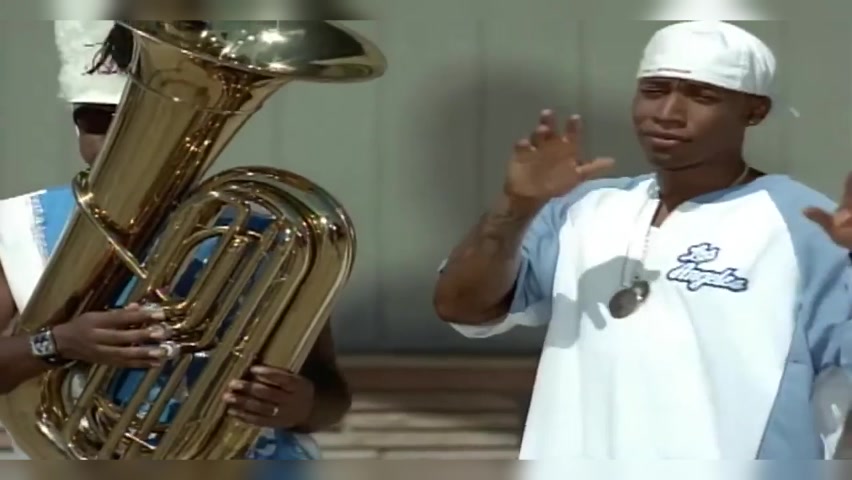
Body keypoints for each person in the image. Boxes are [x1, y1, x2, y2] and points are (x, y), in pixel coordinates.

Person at [433, 20, 852, 460]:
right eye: (654, 90)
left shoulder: (807, 226)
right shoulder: (583, 207)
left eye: (702, 96)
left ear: (755, 111)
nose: (668, 112)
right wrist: (516, 206)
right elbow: (460, 306)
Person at [0, 20, 351, 460]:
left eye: (138, 119)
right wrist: (59, 343)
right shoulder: (16, 225)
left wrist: (301, 406)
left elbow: (331, 396)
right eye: (98, 119)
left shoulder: (274, 234)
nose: (123, 138)